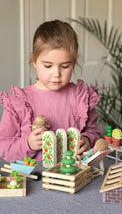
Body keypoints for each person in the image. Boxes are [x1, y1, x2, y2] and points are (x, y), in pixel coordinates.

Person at [0, 20, 100, 162]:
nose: (56, 74)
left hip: (72, 176)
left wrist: (87, 140)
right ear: (34, 60)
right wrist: (28, 144)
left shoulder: (80, 98)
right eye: (48, 66)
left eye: (65, 66)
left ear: (74, 62)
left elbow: (93, 132)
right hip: (34, 179)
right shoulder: (19, 102)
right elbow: (3, 146)